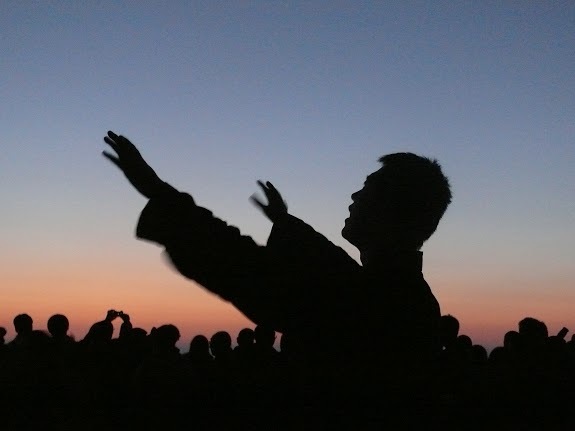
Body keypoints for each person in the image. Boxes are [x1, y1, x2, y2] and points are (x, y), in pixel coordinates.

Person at [102, 131, 452, 411]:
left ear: (389, 209)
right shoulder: (400, 294)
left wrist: (157, 191)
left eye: (367, 187)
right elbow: (330, 265)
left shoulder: (375, 301)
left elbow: (247, 267)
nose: (354, 195)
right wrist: (283, 221)